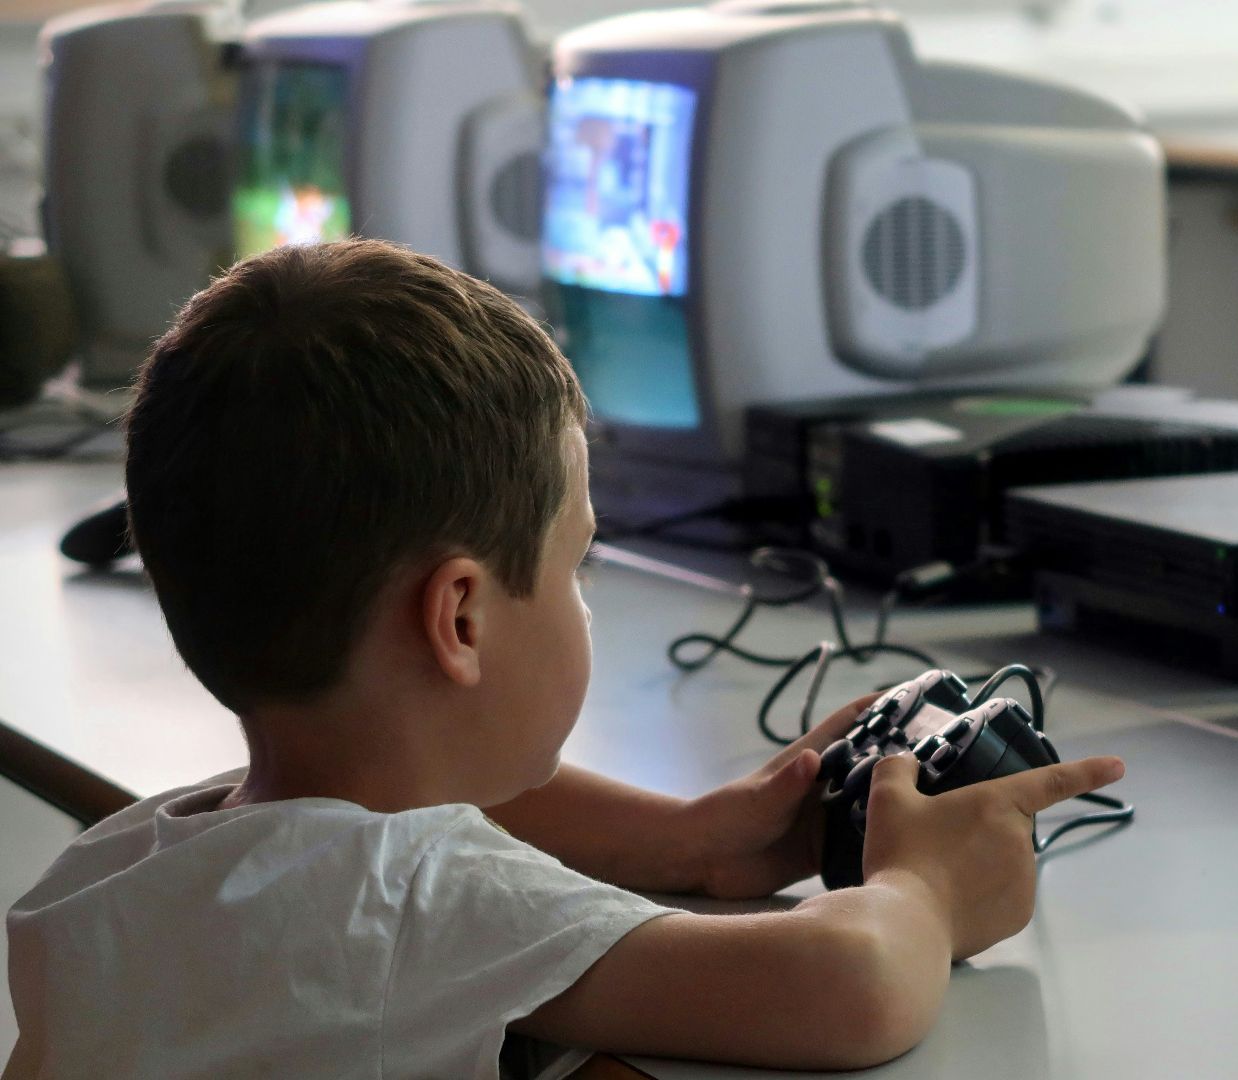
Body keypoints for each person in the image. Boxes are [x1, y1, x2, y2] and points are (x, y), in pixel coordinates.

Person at [3, 239, 1124, 1078]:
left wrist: (693, 840)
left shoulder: (129, 866)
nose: (586, 603)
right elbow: (846, 988)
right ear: (462, 621)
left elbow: (428, 816)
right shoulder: (413, 915)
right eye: (578, 565)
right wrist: (922, 890)